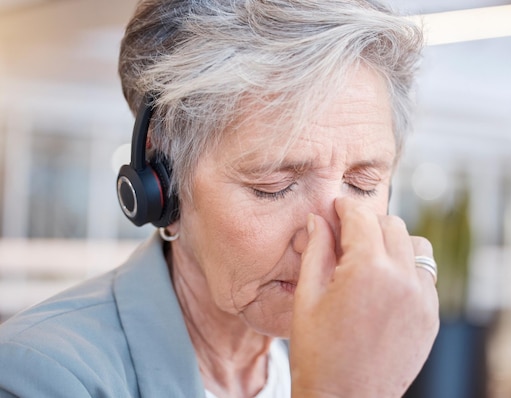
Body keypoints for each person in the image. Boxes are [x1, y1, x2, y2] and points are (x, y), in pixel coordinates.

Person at [0, 0, 439, 397]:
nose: (328, 237)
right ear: (163, 185)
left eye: (362, 184)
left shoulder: (329, 355)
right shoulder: (39, 376)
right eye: (273, 185)